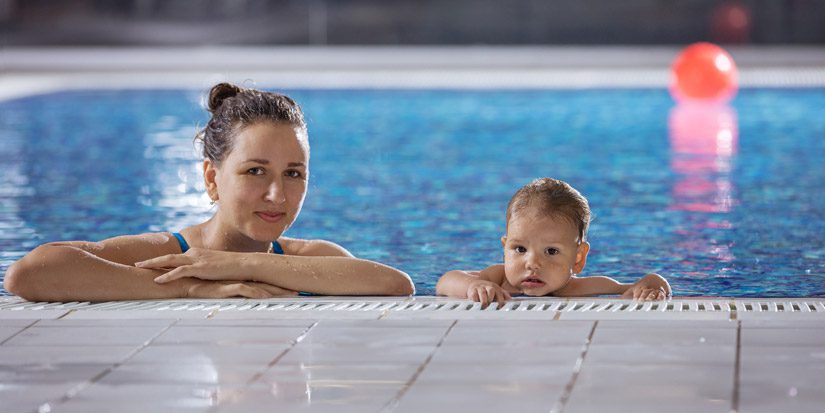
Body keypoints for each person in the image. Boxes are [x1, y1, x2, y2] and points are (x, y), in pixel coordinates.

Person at [4, 83, 414, 302]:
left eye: (294, 173)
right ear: (212, 179)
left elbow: (395, 285)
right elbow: (30, 272)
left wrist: (241, 266)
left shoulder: (308, 257)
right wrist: (187, 286)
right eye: (255, 171)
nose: (278, 195)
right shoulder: (174, 256)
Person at [436, 177, 670, 308]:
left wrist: (649, 288)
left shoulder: (580, 289)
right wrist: (472, 287)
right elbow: (445, 282)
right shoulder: (498, 279)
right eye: (519, 249)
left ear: (578, 258)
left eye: (551, 251)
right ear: (504, 248)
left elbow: (649, 281)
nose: (532, 263)